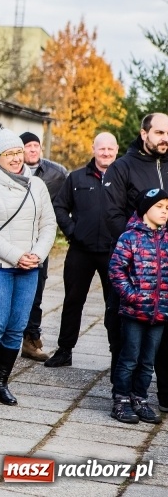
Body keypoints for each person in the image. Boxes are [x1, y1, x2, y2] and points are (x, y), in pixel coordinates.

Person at [0, 129, 56, 406]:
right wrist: (16, 255)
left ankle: (1, 383)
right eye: (9, 154)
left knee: (17, 326)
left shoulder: (37, 186)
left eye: (18, 152)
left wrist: (37, 254)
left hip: (30, 266)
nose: (16, 158)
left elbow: (48, 225)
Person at [104, 113, 168, 412]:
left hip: (164, 282)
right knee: (127, 345)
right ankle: (122, 396)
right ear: (144, 133)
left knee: (157, 346)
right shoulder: (122, 167)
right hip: (134, 272)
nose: (164, 138)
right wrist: (137, 248)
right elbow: (113, 215)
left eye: (167, 133)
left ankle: (152, 397)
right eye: (158, 132)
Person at [46, 133, 118, 367]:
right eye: (101, 148)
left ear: (116, 150)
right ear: (93, 149)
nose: (105, 153)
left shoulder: (124, 179)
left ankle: (117, 352)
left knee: (115, 304)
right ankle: (65, 350)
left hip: (113, 252)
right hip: (81, 251)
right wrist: (72, 231)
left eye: (110, 149)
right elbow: (59, 206)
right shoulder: (76, 177)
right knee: (73, 300)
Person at [108, 188, 168, 424]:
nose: (164, 212)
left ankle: (140, 398)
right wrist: (131, 295)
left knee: (147, 360)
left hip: (160, 312)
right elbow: (116, 270)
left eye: (167, 208)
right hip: (134, 311)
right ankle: (121, 400)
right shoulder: (129, 237)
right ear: (145, 210)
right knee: (129, 357)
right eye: (159, 207)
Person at [19, 131, 68, 361]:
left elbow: (69, 203)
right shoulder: (7, 169)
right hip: (13, 240)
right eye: (27, 146)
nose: (32, 149)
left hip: (41, 243)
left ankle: (31, 339)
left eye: (35, 145)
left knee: (35, 292)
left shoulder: (56, 174)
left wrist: (69, 229)